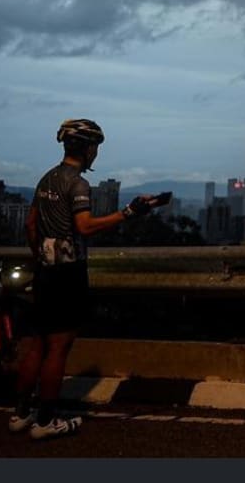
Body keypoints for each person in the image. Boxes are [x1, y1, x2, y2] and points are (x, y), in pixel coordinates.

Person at [9, 118, 160, 440]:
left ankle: (21, 414)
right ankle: (46, 421)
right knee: (58, 348)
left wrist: (40, 256)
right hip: (67, 273)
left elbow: (31, 225)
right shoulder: (78, 184)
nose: (96, 154)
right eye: (96, 148)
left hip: (45, 270)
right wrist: (129, 213)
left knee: (37, 343)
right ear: (89, 149)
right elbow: (85, 227)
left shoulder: (47, 178)